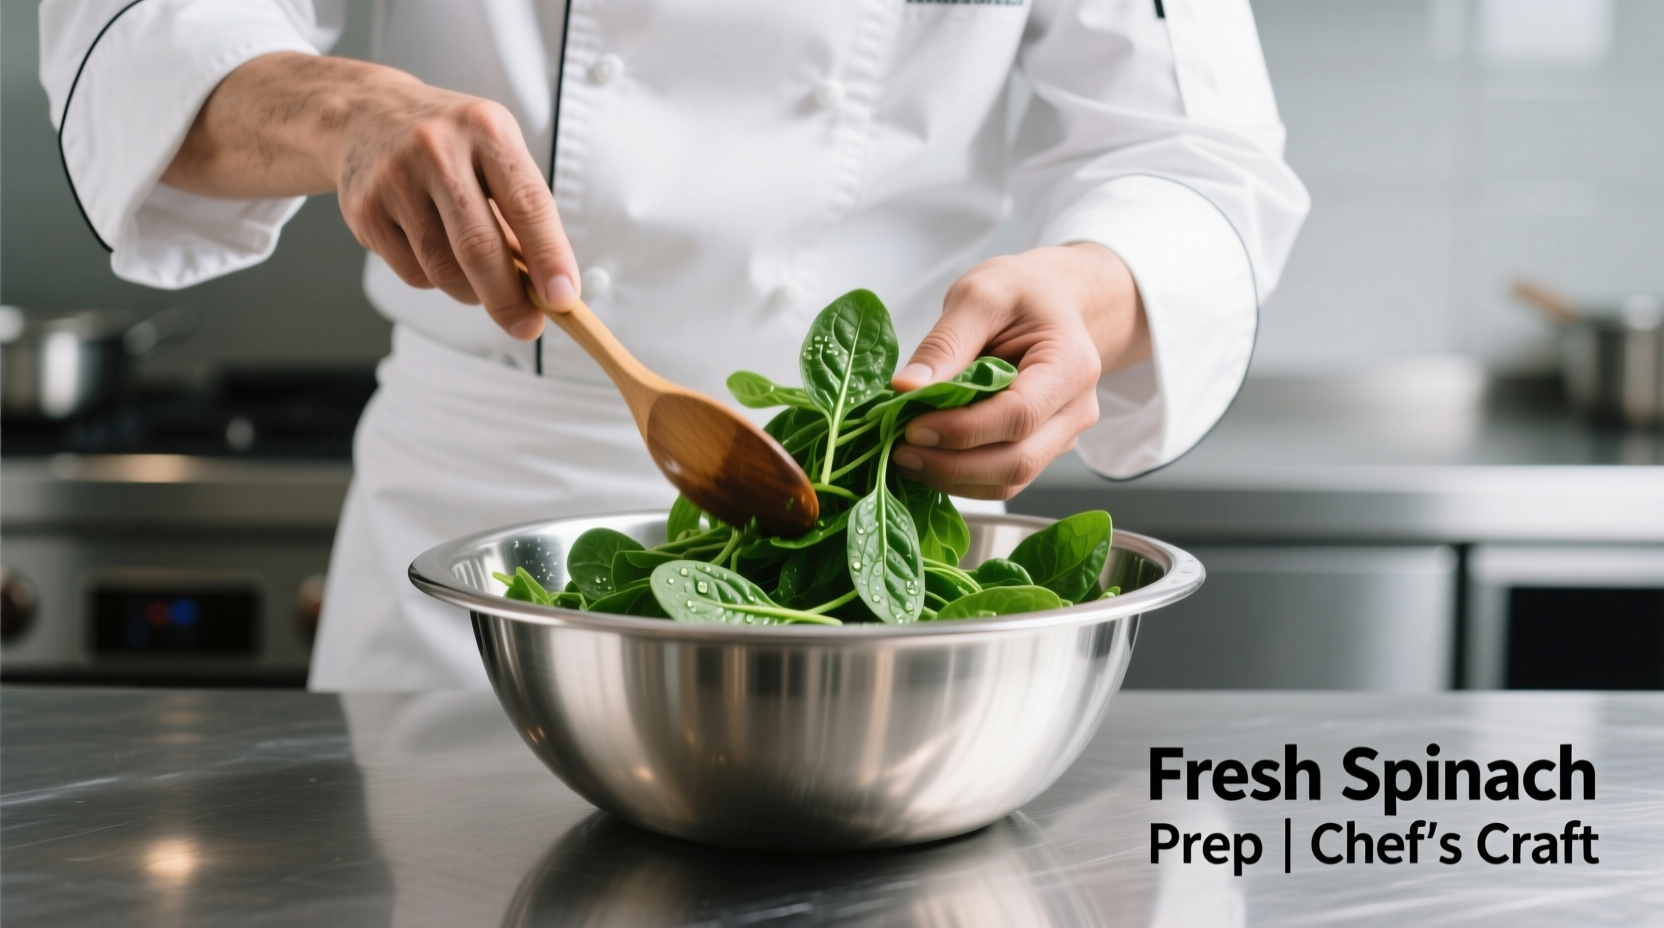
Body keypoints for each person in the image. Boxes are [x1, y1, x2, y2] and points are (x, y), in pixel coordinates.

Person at [41, 0, 1307, 690]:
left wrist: (1087, 295)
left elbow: (1188, 149)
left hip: (874, 547)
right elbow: (138, 32)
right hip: (473, 551)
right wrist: (345, 107)